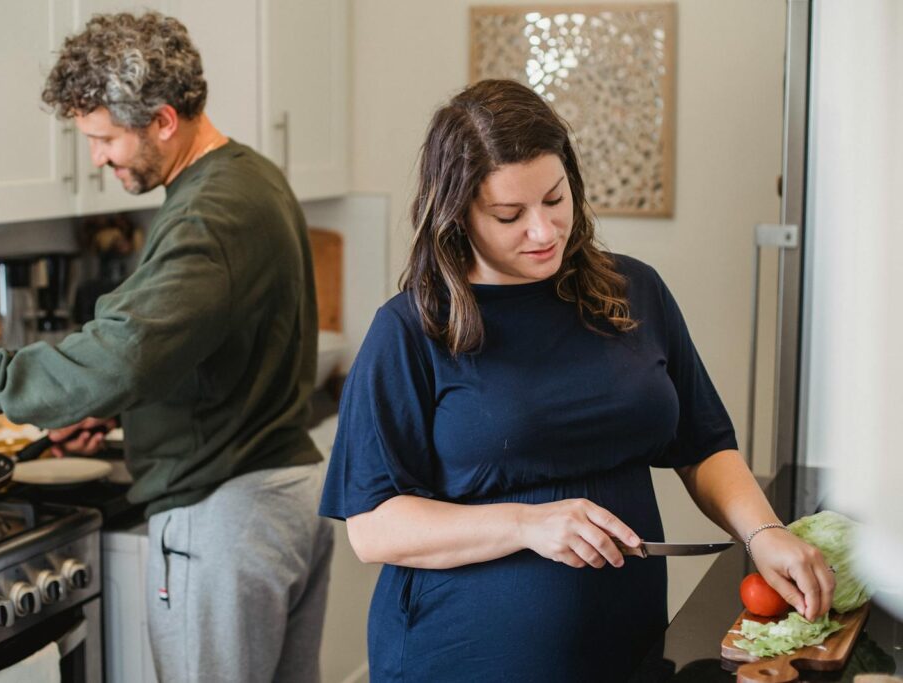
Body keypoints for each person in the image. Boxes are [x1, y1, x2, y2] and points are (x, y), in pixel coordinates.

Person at [319, 79, 835, 682]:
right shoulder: (411, 330)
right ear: (457, 215)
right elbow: (374, 527)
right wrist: (526, 523)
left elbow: (703, 446)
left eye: (555, 199)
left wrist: (764, 532)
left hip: (628, 641)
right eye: (509, 215)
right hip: (462, 656)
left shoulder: (633, 291)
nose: (544, 232)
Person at [0, 12, 333, 683]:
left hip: (225, 517)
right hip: (276, 497)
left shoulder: (212, 212)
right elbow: (199, 350)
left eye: (106, 137)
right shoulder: (247, 179)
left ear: (164, 121)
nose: (97, 158)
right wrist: (118, 415)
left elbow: (122, 353)